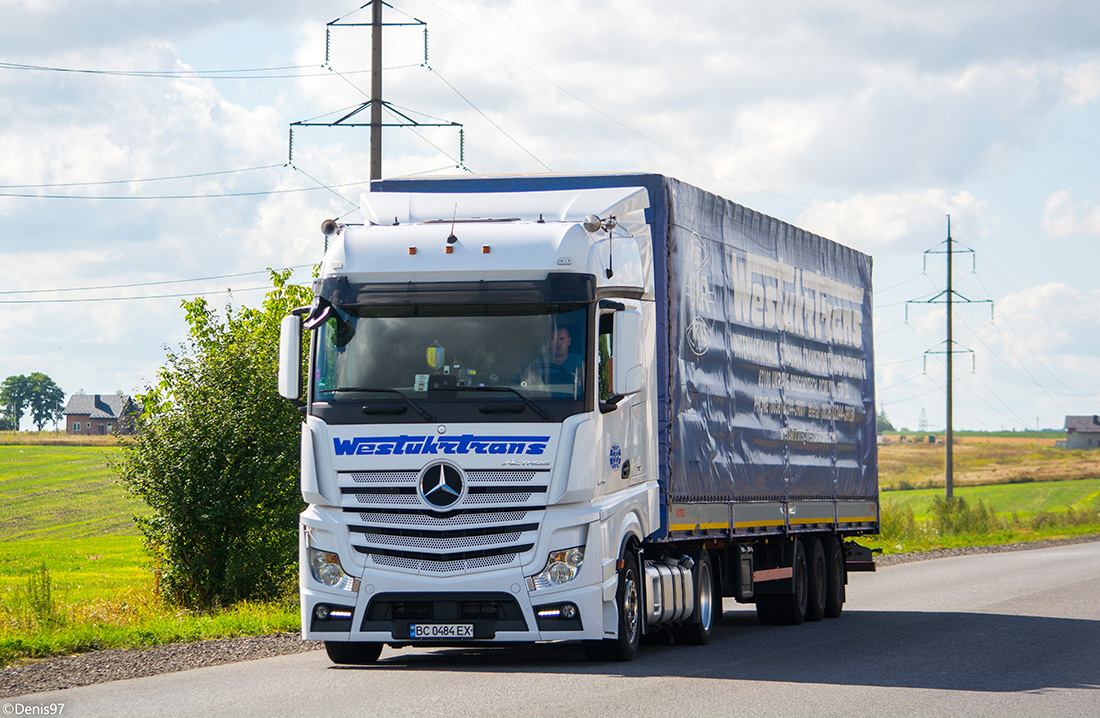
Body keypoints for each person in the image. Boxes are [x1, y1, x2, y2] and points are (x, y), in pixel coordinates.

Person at [524, 326, 583, 395]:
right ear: (549, 342)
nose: (558, 343)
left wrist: (577, 379)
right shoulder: (539, 363)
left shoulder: (577, 361)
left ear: (569, 341)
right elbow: (526, 381)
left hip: (572, 403)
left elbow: (583, 378)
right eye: (554, 339)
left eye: (562, 339)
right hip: (542, 402)